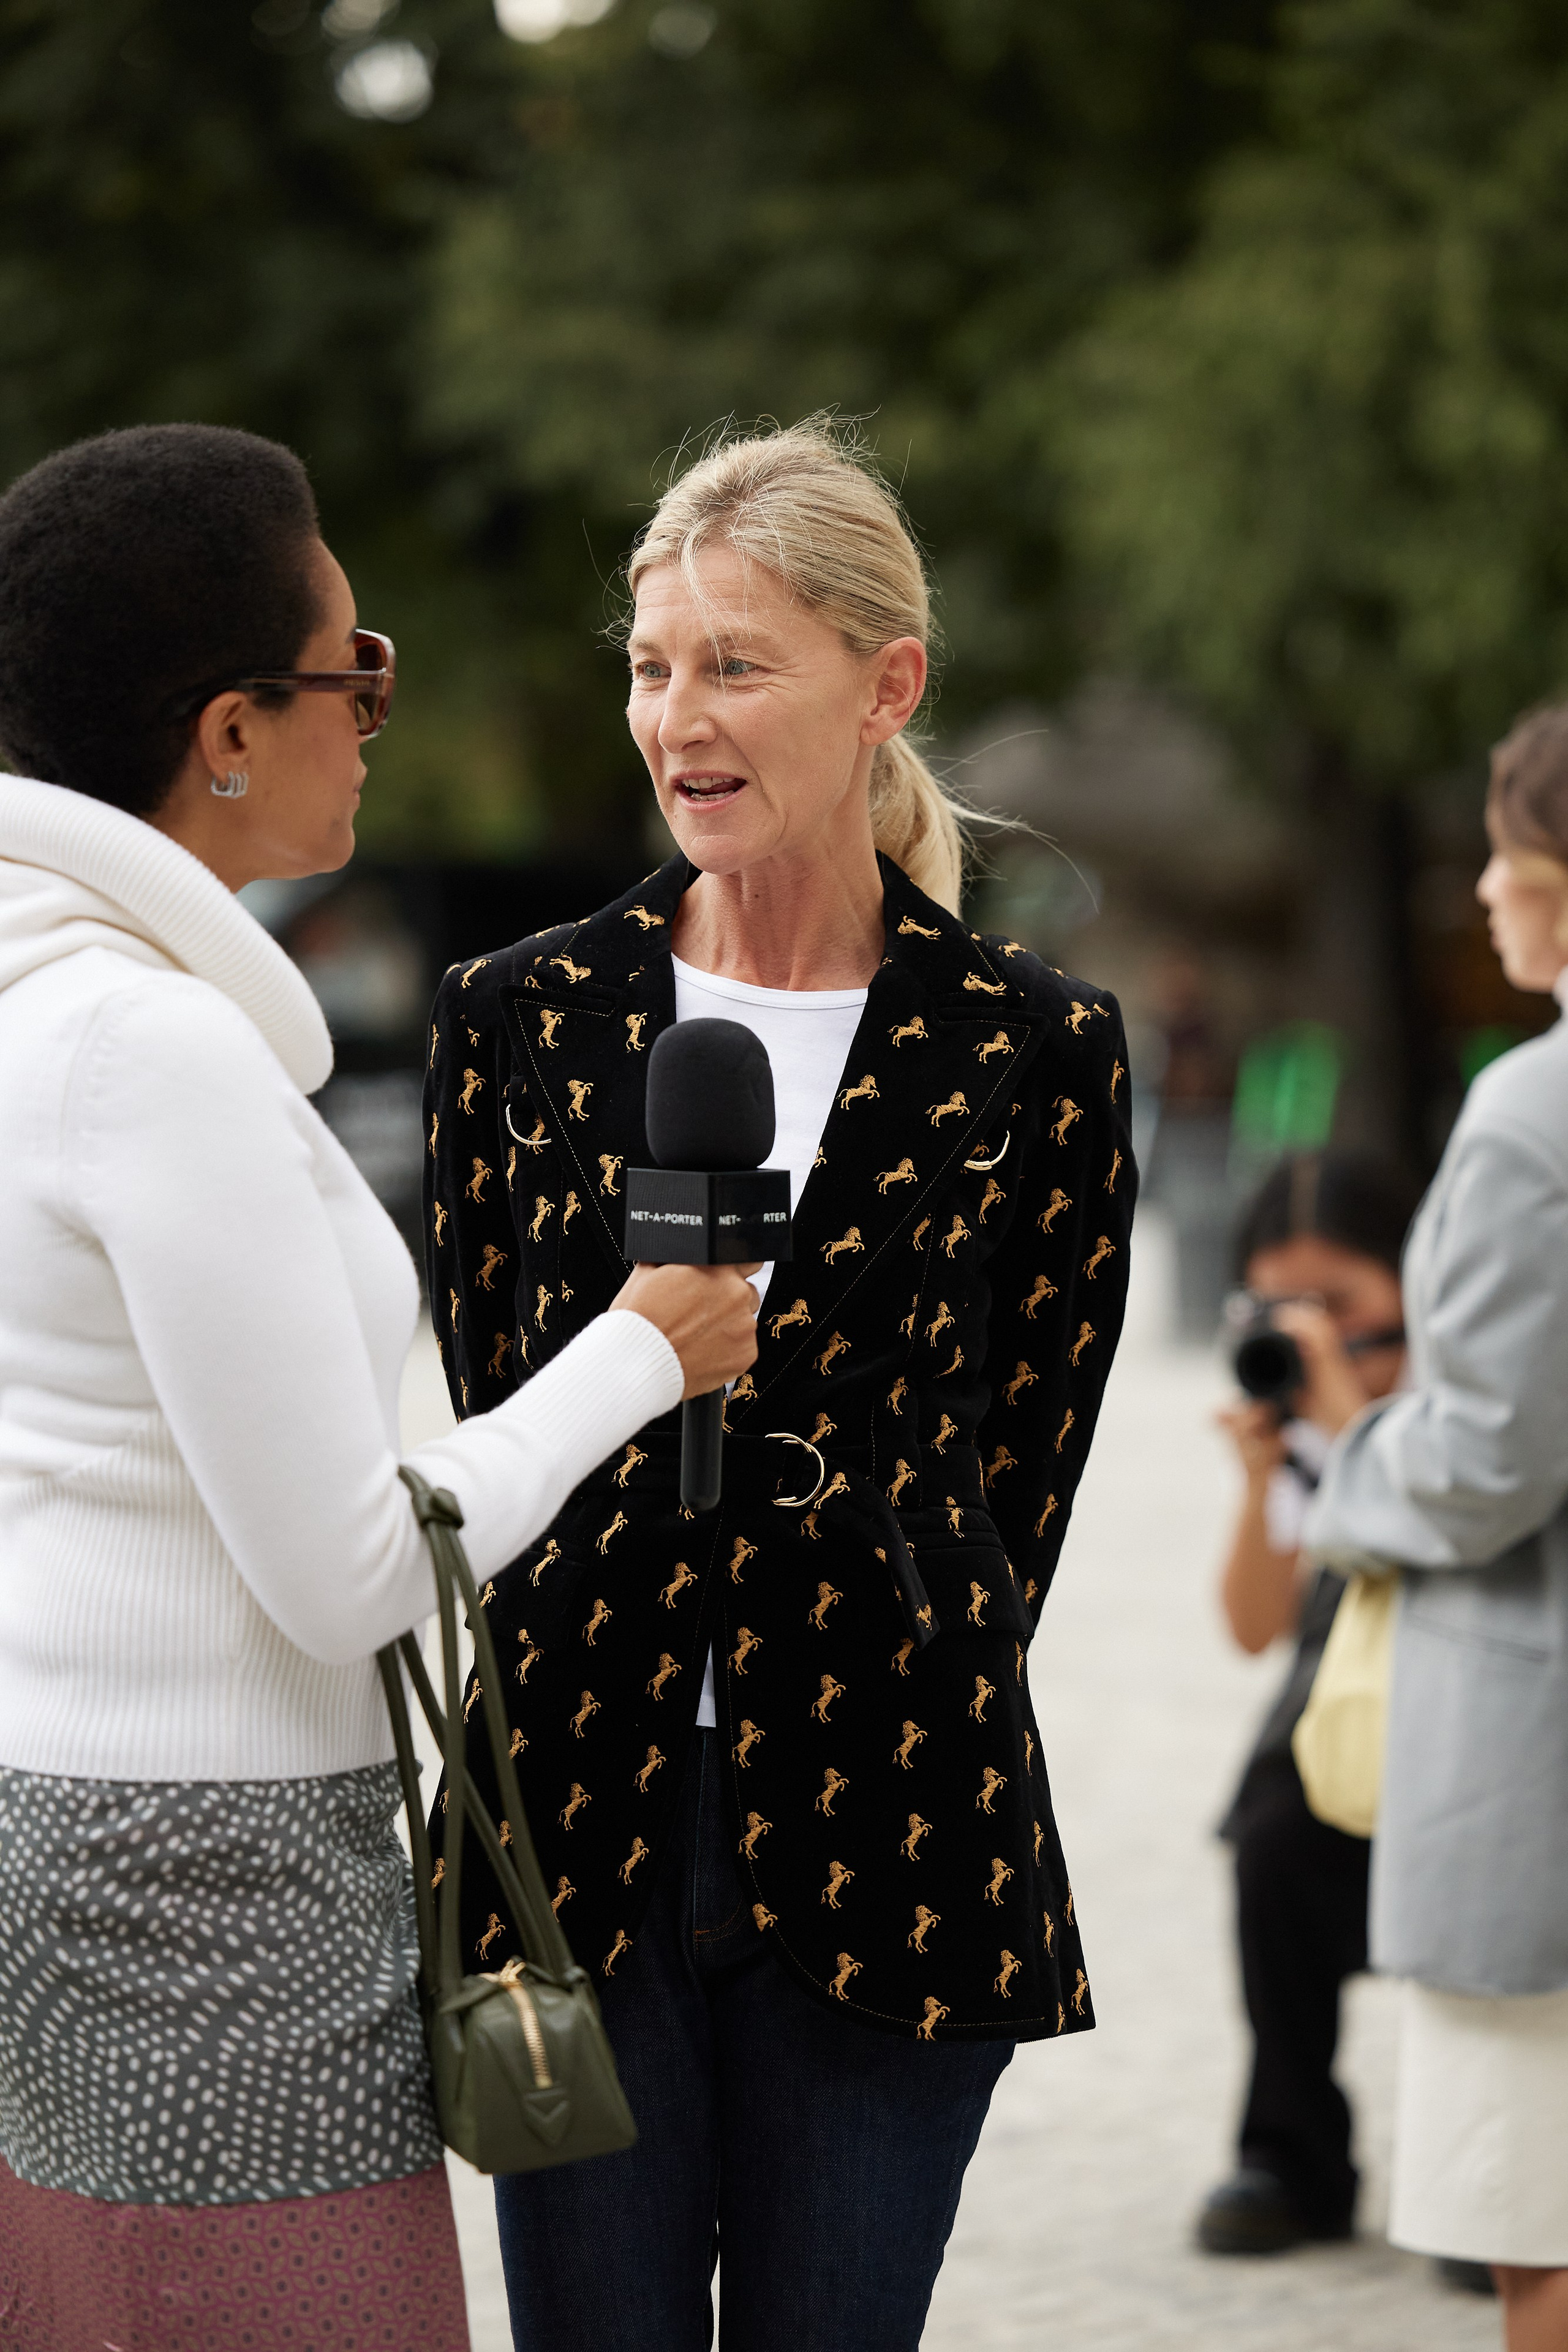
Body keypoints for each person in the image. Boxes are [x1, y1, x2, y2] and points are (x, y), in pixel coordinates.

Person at [0, 423, 758, 2352]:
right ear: (230, 730)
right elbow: (346, 1576)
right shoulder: (143, 1046)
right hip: (215, 1868)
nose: (377, 718)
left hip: (71, 1813)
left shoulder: (45, 999)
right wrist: (637, 1353)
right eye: (360, 672)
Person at [428, 419, 1137, 2351]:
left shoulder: (1037, 1048)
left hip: (900, 1829)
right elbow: (506, 1418)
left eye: (737, 663)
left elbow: (1028, 1483)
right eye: (654, 667)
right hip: (577, 1834)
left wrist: (882, 1653)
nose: (681, 716)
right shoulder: (520, 1020)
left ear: (884, 684)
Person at [1305, 703, 1568, 2352]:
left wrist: (1351, 1475)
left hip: (1541, 1773)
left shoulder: (1533, 1118)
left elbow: (1488, 1458)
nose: (1482, 887)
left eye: (1507, 850)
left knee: (1541, 2234)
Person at [1194, 1151, 1415, 2255]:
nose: (1312, 1328)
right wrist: (1260, 1478)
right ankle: (1289, 2154)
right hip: (1337, 1734)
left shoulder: (1462, 1403)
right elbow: (1250, 1627)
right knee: (1273, 1843)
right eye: (1282, 1304)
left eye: (1341, 1301)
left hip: (1468, 1728)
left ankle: (1489, 2181)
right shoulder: (1292, 1419)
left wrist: (1347, 1414)